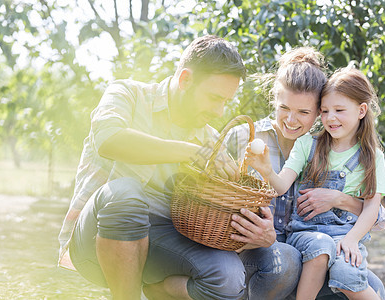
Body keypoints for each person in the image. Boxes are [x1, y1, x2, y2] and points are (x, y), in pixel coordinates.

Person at [57, 35, 249, 300]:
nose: (219, 111)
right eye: (214, 98)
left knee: (227, 278)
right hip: (97, 240)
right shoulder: (127, 94)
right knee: (126, 193)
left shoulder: (211, 140)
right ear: (185, 80)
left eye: (225, 102)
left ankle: (152, 292)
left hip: (160, 245)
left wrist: (259, 227)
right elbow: (108, 139)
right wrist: (189, 152)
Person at [225, 47, 385, 299]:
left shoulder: (327, 146)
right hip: (256, 254)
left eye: (304, 112)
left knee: (371, 285)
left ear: (316, 111)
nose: (291, 120)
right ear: (274, 101)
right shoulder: (244, 138)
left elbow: (377, 217)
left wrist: (337, 199)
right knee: (286, 261)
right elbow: (211, 203)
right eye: (284, 108)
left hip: (313, 252)